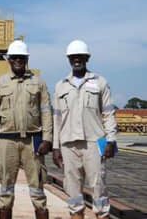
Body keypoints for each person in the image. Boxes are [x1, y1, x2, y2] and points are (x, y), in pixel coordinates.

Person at [0, 40, 53, 219]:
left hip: (33, 141)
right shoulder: (0, 83)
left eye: (21, 58)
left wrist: (47, 139)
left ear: (26, 59)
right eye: (14, 57)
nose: (18, 60)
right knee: (6, 190)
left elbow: (46, 112)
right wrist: (4, 119)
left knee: (38, 190)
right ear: (9, 59)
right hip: (7, 141)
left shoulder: (38, 83)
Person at [52, 40, 117, 219]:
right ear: (69, 59)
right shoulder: (61, 86)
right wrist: (56, 147)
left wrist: (110, 140)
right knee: (73, 191)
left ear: (87, 58)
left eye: (80, 57)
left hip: (96, 142)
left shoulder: (100, 83)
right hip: (68, 144)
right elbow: (57, 119)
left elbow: (108, 113)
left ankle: (102, 215)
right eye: (73, 57)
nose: (77, 60)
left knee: (99, 187)